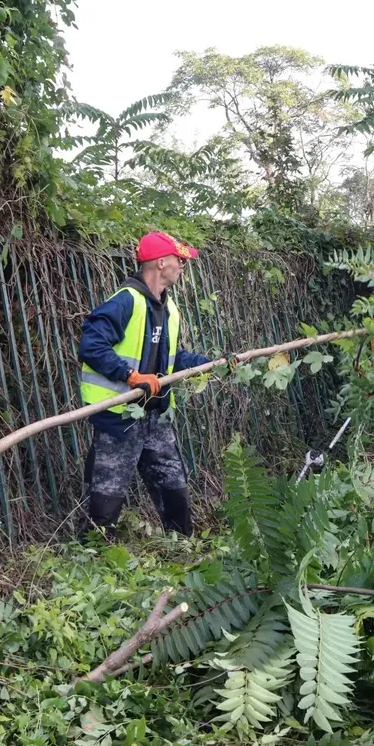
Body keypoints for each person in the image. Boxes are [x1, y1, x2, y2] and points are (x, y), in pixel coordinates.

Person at [78, 231, 210, 540]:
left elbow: (173, 360)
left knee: (173, 485)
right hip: (119, 416)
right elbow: (92, 346)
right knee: (105, 496)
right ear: (161, 262)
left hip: (156, 415)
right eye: (179, 260)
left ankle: (181, 546)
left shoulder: (170, 310)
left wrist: (209, 364)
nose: (182, 266)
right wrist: (131, 376)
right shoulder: (126, 301)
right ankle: (91, 556)